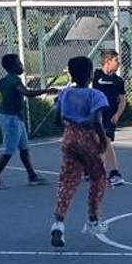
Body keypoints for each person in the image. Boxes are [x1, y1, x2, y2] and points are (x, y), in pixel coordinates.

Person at [50, 56, 110, 249]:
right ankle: (92, 220)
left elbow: (57, 119)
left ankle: (58, 223)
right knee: (98, 177)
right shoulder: (95, 95)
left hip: (69, 136)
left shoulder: (65, 94)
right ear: (91, 74)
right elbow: (96, 120)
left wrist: (70, 124)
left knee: (67, 180)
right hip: (87, 137)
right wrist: (102, 140)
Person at [0, 53, 56, 189]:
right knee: (9, 150)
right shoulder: (13, 81)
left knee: (24, 148)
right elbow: (27, 93)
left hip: (15, 117)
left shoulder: (4, 80)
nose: (21, 65)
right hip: (10, 119)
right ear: (13, 66)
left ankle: (32, 176)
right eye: (19, 63)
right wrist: (47, 90)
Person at [93, 49, 127, 187]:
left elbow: (123, 100)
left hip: (109, 117)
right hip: (95, 116)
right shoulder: (95, 76)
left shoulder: (118, 81)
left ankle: (114, 173)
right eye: (116, 60)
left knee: (105, 142)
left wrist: (117, 115)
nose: (119, 63)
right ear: (107, 61)